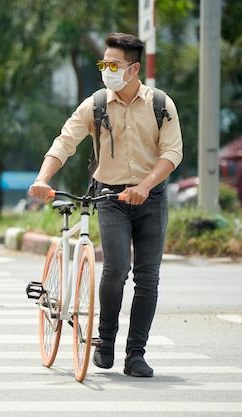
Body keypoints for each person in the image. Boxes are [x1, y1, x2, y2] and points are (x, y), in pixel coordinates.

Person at [28, 32, 183, 378]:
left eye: (113, 65)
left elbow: (172, 153)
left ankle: (136, 354)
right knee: (115, 268)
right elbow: (65, 141)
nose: (106, 71)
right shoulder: (95, 105)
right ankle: (106, 342)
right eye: (103, 64)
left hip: (151, 197)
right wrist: (42, 178)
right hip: (110, 197)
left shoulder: (161, 104)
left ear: (134, 69)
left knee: (147, 278)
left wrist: (144, 186)